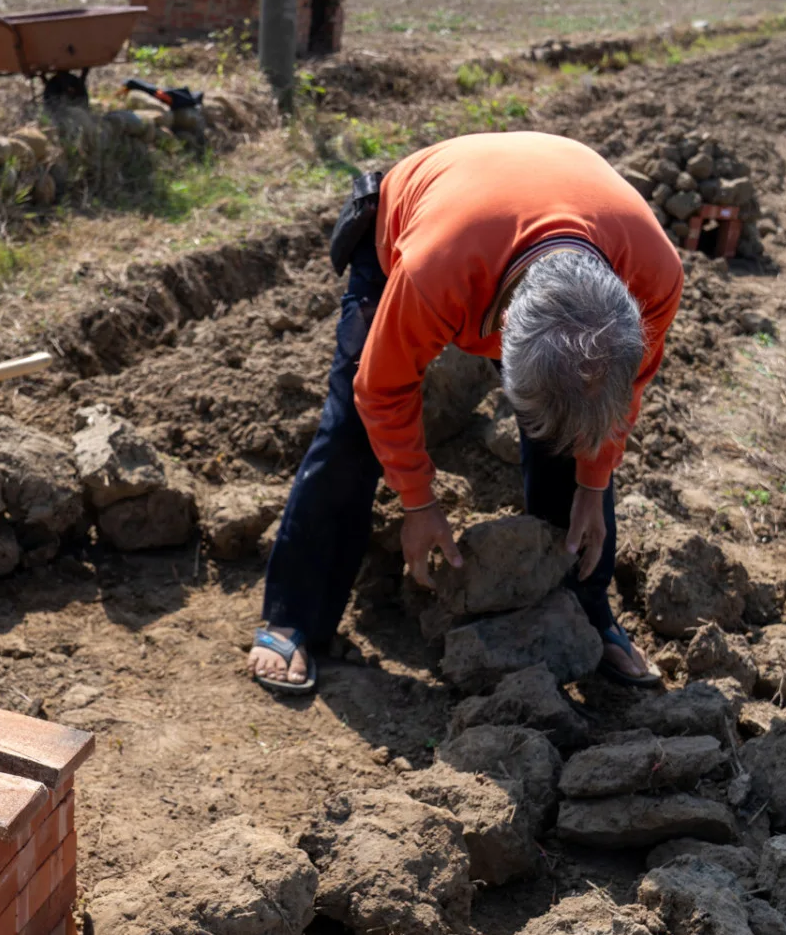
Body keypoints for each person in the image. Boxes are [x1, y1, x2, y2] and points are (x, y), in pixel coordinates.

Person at [248, 131, 683, 696]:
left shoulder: (653, 278)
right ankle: (296, 615)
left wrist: (593, 483)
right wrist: (417, 500)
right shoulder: (434, 271)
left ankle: (587, 613)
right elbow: (381, 390)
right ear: (501, 335)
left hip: (550, 208)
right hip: (433, 215)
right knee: (352, 432)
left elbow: (618, 397)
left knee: (567, 432)